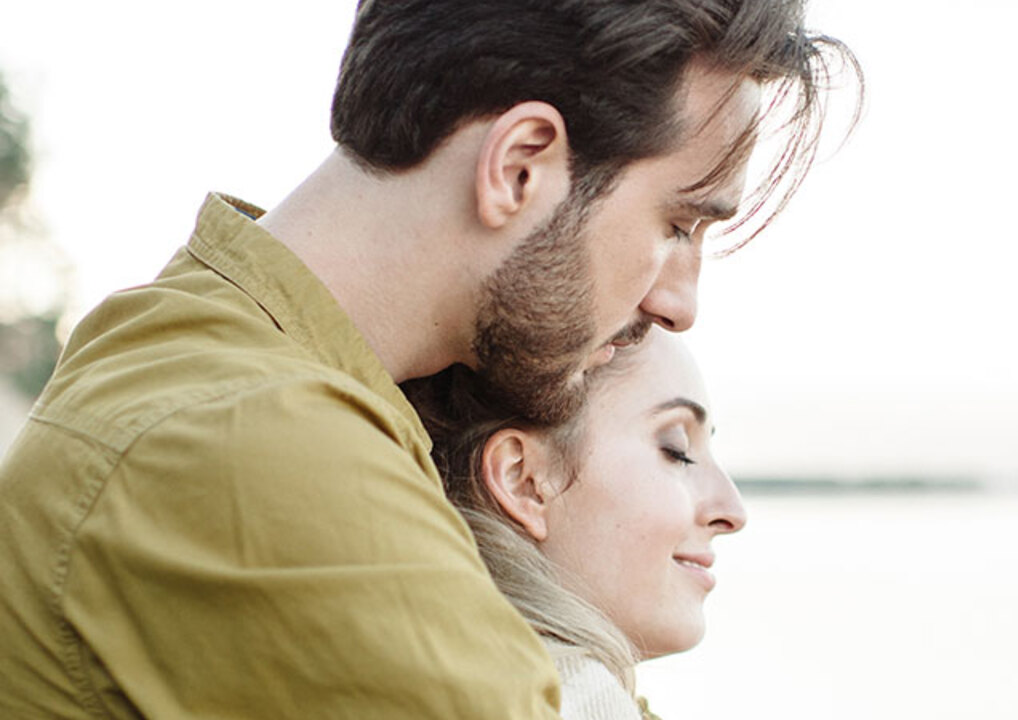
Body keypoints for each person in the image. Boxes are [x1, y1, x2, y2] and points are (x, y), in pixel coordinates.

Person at [0, 1, 854, 717]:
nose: (679, 303)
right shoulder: (256, 432)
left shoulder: (218, 356)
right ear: (519, 168)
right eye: (678, 225)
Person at [412, 329, 745, 720]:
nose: (733, 511)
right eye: (678, 451)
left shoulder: (435, 662)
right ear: (523, 479)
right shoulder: (567, 694)